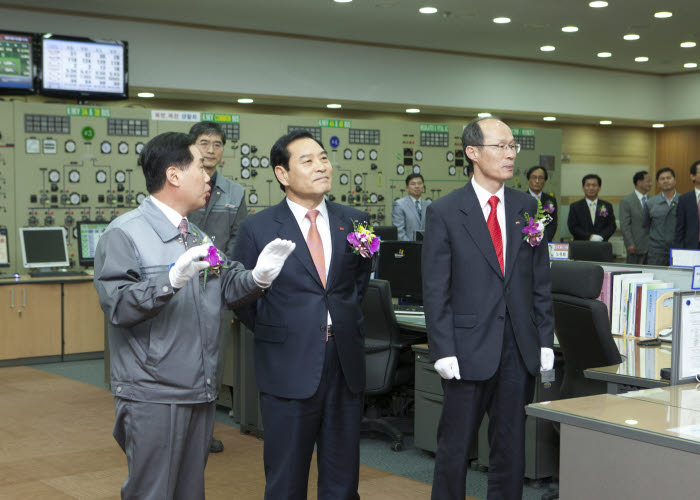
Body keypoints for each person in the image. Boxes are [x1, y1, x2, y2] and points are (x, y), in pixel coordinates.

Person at [94, 132, 295, 499]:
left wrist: (258, 277)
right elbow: (119, 305)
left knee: (190, 491)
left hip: (196, 387)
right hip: (152, 391)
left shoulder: (197, 235)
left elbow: (226, 284)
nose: (209, 177)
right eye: (201, 168)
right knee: (152, 492)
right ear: (173, 176)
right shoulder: (125, 234)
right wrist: (168, 281)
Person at [233, 130, 373, 500]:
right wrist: (277, 328)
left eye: (323, 158)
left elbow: (357, 284)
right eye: (307, 160)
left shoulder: (356, 221)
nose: (321, 166)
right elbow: (240, 294)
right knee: (286, 477)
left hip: (343, 361)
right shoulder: (258, 228)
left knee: (343, 477)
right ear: (282, 173)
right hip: (287, 363)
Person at [422, 118, 554, 500]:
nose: (510, 153)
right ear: (473, 153)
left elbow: (539, 279)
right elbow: (435, 290)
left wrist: (544, 337)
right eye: (501, 146)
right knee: (455, 447)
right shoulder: (446, 211)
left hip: (517, 347)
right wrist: (442, 348)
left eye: (513, 146)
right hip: (466, 349)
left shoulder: (528, 206)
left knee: (511, 449)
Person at [187, 120, 246, 453]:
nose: (210, 150)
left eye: (217, 144)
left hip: (217, 288)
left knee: (213, 363)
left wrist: (220, 266)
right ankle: (179, 429)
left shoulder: (235, 192)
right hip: (180, 285)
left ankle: (204, 433)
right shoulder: (179, 182)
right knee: (181, 359)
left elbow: (238, 237)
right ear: (192, 146)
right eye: (204, 143)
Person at [643, 167, 678, 266]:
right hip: (657, 251)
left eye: (669, 178)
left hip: (678, 249)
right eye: (662, 179)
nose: (666, 181)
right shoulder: (650, 203)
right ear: (658, 183)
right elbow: (646, 225)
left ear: (675, 181)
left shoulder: (684, 201)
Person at [567, 174, 616, 241]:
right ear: (583, 188)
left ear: (599, 188)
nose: (591, 188)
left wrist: (601, 237)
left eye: (594, 185)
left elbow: (611, 226)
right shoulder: (575, 206)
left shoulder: (606, 206)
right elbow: (573, 226)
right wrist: (589, 237)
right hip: (581, 245)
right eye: (588, 185)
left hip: (601, 244)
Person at [619, 171, 651, 264]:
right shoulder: (626, 201)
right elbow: (625, 225)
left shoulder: (654, 200)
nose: (651, 184)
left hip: (652, 247)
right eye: (648, 181)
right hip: (635, 246)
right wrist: (629, 243)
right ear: (639, 182)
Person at [392, 173, 431, 240]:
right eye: (413, 184)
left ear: (423, 187)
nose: (417, 186)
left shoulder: (428, 205)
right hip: (408, 247)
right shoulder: (399, 205)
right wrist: (413, 246)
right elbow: (399, 232)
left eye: (419, 183)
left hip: (426, 247)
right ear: (407, 188)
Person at [525, 165, 558, 242]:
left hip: (545, 242)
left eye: (540, 178)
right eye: (534, 177)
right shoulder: (521, 199)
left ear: (545, 181)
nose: (537, 181)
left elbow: (552, 223)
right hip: (525, 242)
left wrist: (544, 239)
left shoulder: (550, 200)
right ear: (528, 180)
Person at [674, 160, 700, 249]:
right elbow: (680, 228)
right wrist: (679, 249)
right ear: (692, 176)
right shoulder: (684, 199)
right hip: (691, 247)